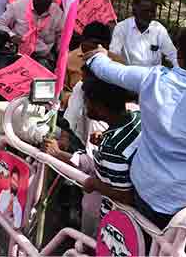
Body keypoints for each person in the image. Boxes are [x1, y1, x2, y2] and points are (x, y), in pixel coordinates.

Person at [85, 27, 186, 227]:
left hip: (145, 188)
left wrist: (97, 56)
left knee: (141, 239)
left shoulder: (152, 78)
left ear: (179, 56)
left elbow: (110, 71)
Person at [43, 75, 140, 233]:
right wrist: (104, 138)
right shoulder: (135, 118)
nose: (84, 106)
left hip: (112, 223)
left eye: (86, 101)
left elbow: (126, 196)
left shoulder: (111, 146)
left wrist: (94, 184)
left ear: (99, 106)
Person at [0, 0, 61, 64]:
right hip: (17, 53)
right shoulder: (18, 6)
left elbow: (61, 35)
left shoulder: (56, 11)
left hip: (42, 57)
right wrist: (12, 36)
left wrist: (61, 54)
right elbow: (0, 24)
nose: (46, 0)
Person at [109, 0, 178, 68]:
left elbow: (172, 54)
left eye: (152, 12)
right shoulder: (122, 27)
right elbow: (114, 54)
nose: (149, 15)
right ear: (134, 11)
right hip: (129, 72)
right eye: (145, 11)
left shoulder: (159, 29)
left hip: (153, 73)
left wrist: (180, 71)